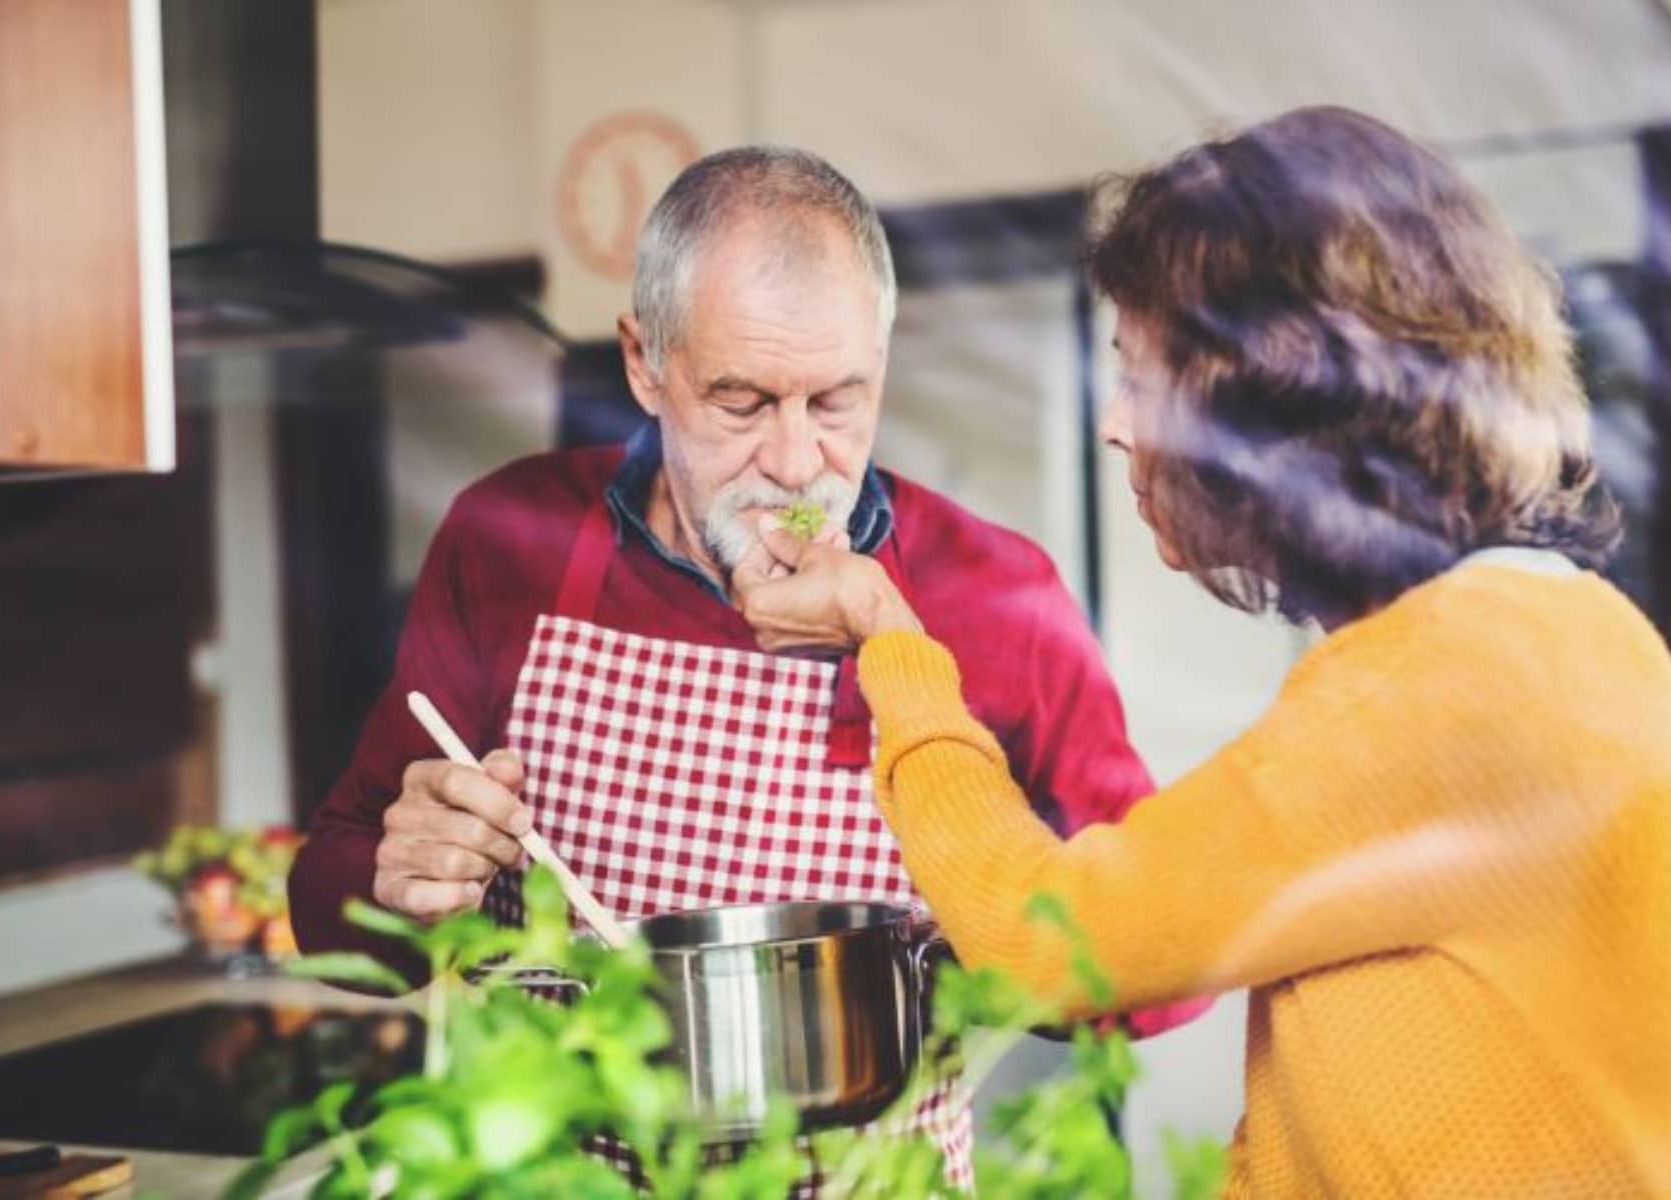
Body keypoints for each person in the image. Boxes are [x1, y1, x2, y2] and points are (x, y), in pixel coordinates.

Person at [734, 108, 1671, 1195]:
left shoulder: (1467, 674)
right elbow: (1316, 1121)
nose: (1117, 423)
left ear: (1265, 393)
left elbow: (1047, 947)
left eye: (1140, 370)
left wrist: (889, 638)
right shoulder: (1502, 638)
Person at [290, 145, 1206, 1189]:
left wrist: (969, 936)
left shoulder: (1000, 599)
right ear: (645, 362)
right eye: (741, 402)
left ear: (882, 365)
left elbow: (1166, 976)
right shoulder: (505, 539)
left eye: (836, 402)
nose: (794, 463)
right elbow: (328, 893)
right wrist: (401, 886)